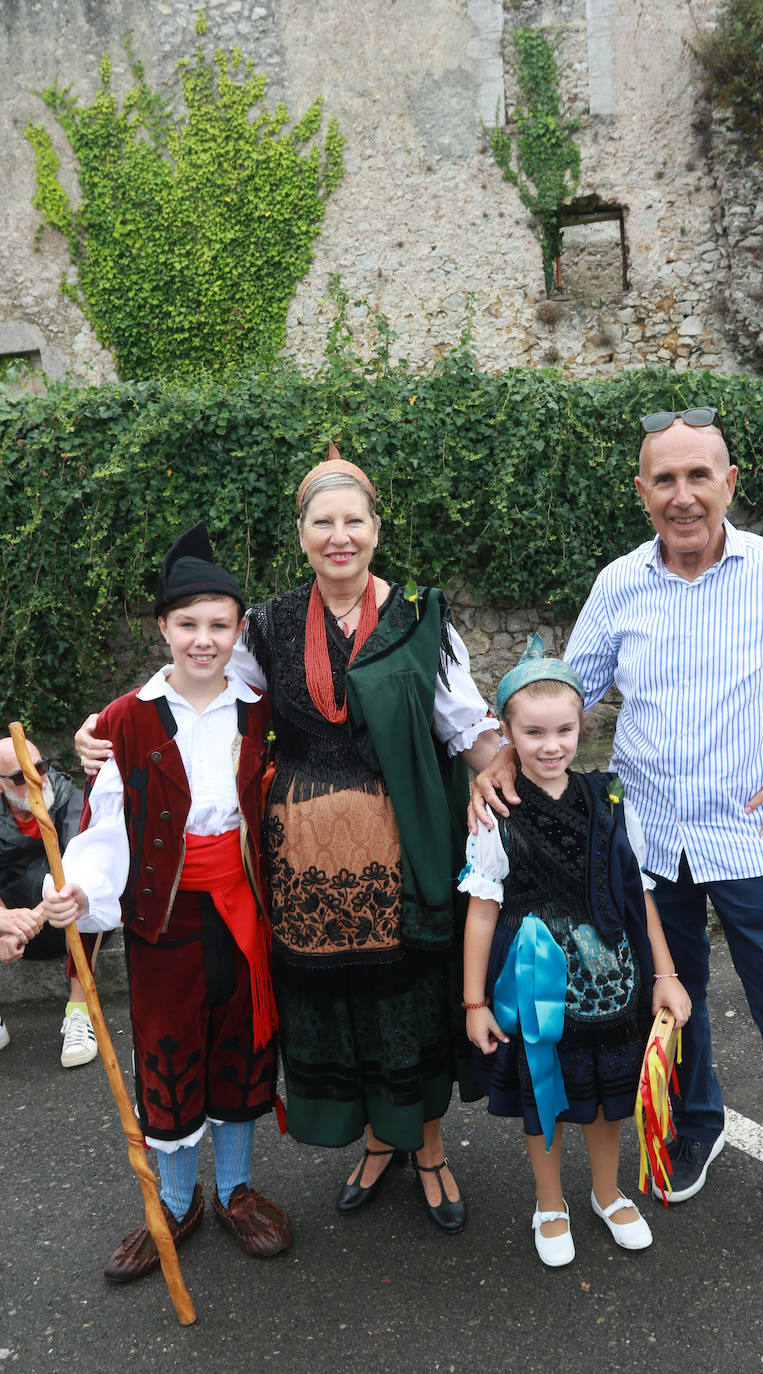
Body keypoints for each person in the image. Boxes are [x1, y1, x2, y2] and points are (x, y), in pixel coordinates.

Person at [472, 406, 763, 1280]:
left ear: (729, 484)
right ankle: (699, 1128)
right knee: (674, 1008)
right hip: (645, 847)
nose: (683, 496)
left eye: (698, 476)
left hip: (757, 840)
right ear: (643, 494)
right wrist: (495, 751)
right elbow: (569, 690)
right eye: (664, 480)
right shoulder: (619, 584)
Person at [78, 448, 500, 1234]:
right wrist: (103, 725)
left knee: (406, 997)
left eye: (354, 520)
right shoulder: (266, 623)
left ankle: (430, 1148)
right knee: (338, 1002)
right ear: (301, 532)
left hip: (403, 843)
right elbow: (192, 680)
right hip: (302, 861)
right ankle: (377, 1143)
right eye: (322, 522)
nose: (339, 536)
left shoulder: (421, 615)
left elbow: (464, 722)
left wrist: (506, 763)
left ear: (375, 527)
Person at [43, 524, 291, 1283]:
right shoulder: (124, 720)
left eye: (219, 625)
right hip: (164, 920)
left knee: (244, 1049)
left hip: (247, 914)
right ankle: (175, 1202)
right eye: (188, 624)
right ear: (162, 627)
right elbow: (106, 822)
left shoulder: (259, 710)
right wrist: (80, 888)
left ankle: (237, 1193)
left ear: (239, 630)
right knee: (169, 1053)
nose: (203, 640)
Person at [460, 637, 690, 1267]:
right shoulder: (497, 813)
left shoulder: (611, 798)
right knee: (548, 1095)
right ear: (508, 733)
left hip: (614, 985)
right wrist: (475, 1001)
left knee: (604, 1098)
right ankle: (549, 1201)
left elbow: (638, 893)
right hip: (537, 992)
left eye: (564, 729)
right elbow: (481, 912)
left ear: (581, 725)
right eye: (533, 733)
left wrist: (663, 974)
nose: (551, 745)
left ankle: (608, 1192)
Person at [0, 734, 104, 1066]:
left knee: (87, 897)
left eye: (40, 767)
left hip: (61, 920)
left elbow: (81, 868)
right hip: (14, 926)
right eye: (20, 777)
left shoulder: (71, 798)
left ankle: (79, 1011)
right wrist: (4, 923)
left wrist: (27, 922)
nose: (36, 780)